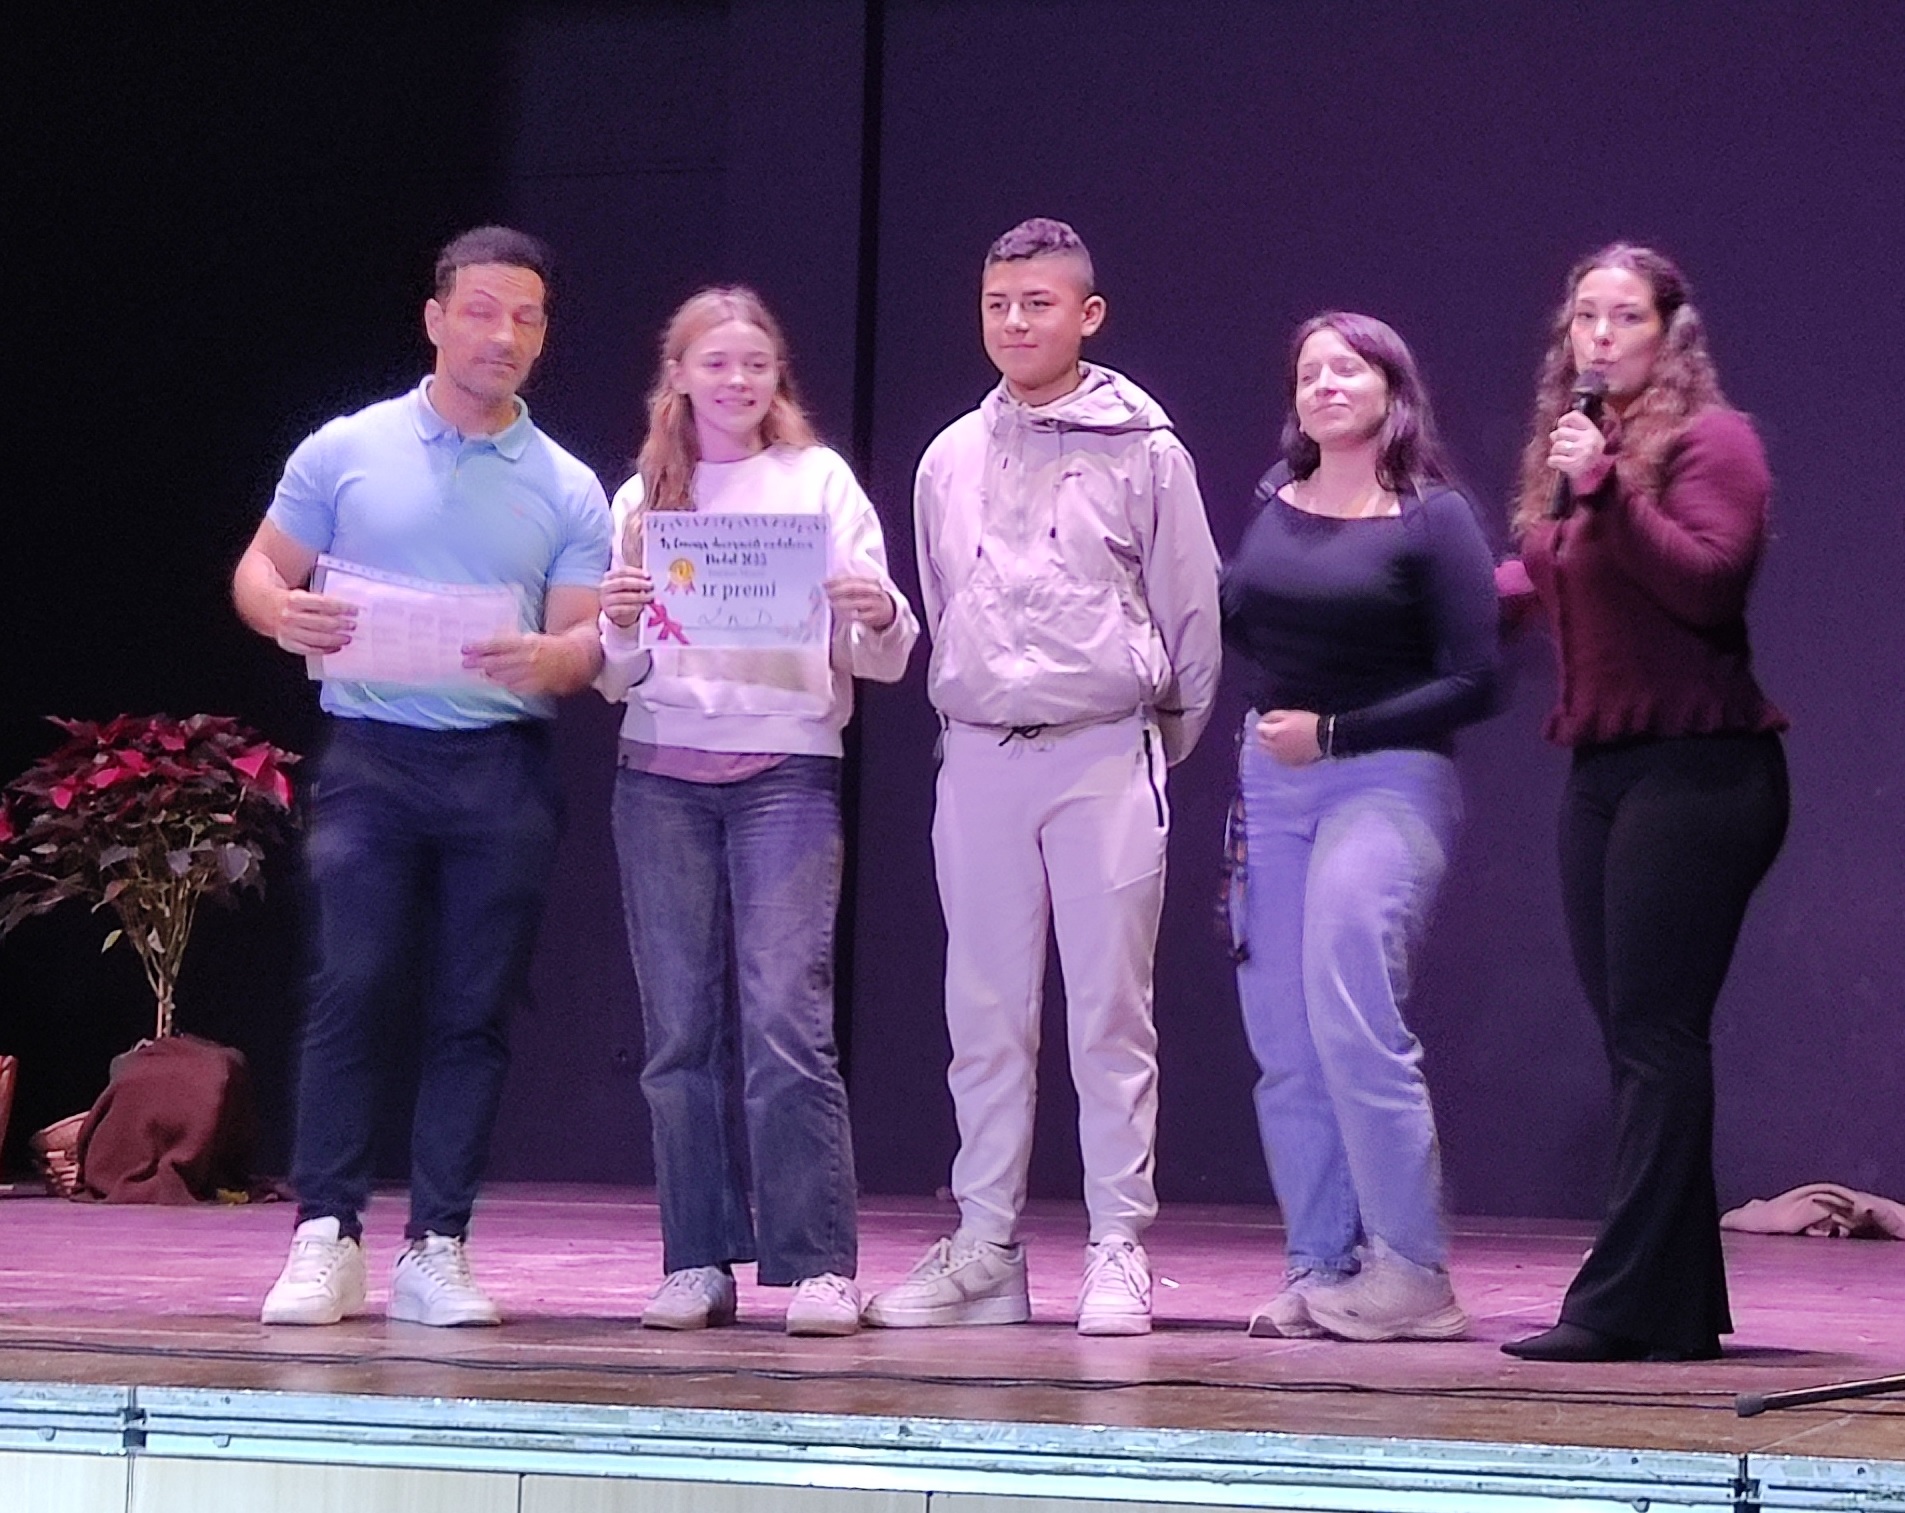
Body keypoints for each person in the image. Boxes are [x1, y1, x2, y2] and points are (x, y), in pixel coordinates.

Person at [233, 227, 611, 1327]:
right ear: (436, 317)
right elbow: (260, 567)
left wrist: (552, 658)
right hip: (372, 757)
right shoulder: (345, 449)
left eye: (527, 317)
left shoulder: (568, 486)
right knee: (352, 986)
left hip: (500, 768)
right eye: (482, 311)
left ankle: (437, 1245)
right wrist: (281, 611)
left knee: (472, 1007)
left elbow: (584, 641)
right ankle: (326, 1233)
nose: (504, 335)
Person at [861, 218, 1222, 1337]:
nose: (1015, 322)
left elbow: (1191, 615)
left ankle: (1117, 1243)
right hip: (980, 755)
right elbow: (944, 600)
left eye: (1038, 303)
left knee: (1110, 1011)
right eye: (998, 304)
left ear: (1087, 315)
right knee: (983, 1011)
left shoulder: (1146, 450)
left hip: (1104, 749)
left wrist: (1145, 738)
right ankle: (986, 1247)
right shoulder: (947, 458)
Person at [597, 287, 918, 1337]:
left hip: (786, 770)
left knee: (787, 1020)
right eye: (716, 362)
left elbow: (878, 651)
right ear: (679, 375)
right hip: (661, 776)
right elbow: (614, 674)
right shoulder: (643, 495)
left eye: (755, 363)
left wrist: (878, 612)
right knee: (677, 1034)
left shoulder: (816, 480)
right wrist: (619, 623)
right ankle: (696, 1256)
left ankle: (817, 1261)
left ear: (778, 375)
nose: (736, 380)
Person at [1499, 245, 1788, 1363]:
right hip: (1605, 772)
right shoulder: (1584, 455)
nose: (1601, 336)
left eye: (1625, 317)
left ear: (1670, 333)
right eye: (1586, 316)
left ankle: (1618, 1303)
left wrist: (1609, 491)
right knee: (1636, 1042)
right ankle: (1675, 1305)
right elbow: (1533, 579)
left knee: (1658, 1036)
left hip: (1702, 770)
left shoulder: (1712, 443)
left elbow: (1707, 580)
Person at [1221, 313, 1498, 1343]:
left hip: (1384, 779)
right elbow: (1244, 621)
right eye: (1309, 372)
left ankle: (1413, 1272)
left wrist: (1335, 732)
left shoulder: (1433, 517)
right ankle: (1321, 1262)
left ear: (1392, 388)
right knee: (1284, 1038)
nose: (1326, 384)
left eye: (1348, 368)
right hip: (1272, 783)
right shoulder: (1274, 498)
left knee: (1350, 1005)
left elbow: (1476, 679)